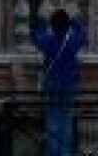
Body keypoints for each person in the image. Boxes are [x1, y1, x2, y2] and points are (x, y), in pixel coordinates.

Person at [34, 8, 86, 156]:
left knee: (52, 118)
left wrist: (43, 22)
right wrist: (74, 22)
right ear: (67, 26)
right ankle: (65, 153)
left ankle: (52, 152)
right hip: (69, 82)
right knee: (67, 120)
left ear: (53, 25)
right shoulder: (73, 42)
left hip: (52, 82)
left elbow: (36, 35)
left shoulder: (47, 41)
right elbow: (82, 33)